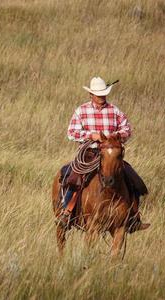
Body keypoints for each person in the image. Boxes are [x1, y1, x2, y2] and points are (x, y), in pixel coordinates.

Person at [58, 76, 150, 231]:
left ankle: (134, 217)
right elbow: (71, 132)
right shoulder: (81, 111)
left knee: (134, 180)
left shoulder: (115, 111)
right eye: (98, 94)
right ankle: (67, 212)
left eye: (103, 94)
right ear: (91, 95)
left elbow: (127, 128)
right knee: (74, 178)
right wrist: (91, 135)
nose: (101, 97)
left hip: (112, 154)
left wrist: (118, 136)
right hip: (89, 153)